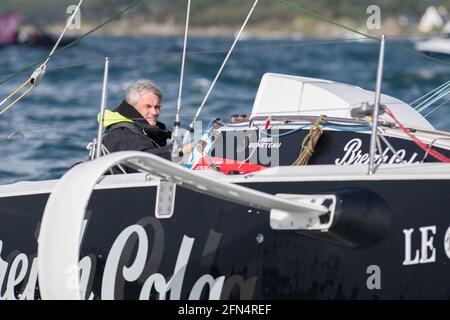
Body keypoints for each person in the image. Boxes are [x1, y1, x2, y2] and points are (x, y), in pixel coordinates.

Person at [101, 79, 190, 172]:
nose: (154, 112)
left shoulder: (142, 130)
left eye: (157, 107)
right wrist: (180, 151)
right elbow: (144, 160)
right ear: (132, 107)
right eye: (147, 107)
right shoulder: (123, 133)